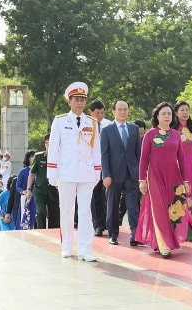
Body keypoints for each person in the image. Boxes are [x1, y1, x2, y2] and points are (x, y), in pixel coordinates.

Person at [47, 81, 101, 261]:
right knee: (67, 211)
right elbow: (53, 148)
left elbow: (96, 150)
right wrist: (52, 174)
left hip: (86, 173)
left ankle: (85, 249)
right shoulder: (60, 121)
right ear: (69, 101)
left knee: (86, 212)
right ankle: (66, 246)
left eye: (82, 100)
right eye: (76, 99)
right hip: (66, 173)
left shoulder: (91, 122)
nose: (79, 103)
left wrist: (97, 172)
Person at [135, 102, 191, 259]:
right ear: (157, 116)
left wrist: (185, 180)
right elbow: (144, 158)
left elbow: (181, 158)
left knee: (172, 210)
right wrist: (142, 180)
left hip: (173, 177)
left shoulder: (175, 135)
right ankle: (164, 245)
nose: (167, 116)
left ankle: (162, 241)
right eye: (163, 114)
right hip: (155, 177)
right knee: (158, 210)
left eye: (169, 114)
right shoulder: (150, 134)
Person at [100, 99, 141, 246]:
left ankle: (135, 234)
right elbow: (104, 154)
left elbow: (138, 153)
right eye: (120, 109)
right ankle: (113, 234)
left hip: (132, 174)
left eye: (125, 109)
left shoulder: (134, 129)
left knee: (133, 206)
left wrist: (140, 174)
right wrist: (106, 174)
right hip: (113, 175)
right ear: (113, 111)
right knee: (112, 205)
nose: (123, 112)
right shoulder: (106, 130)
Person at [173, 101, 192, 241]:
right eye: (182, 110)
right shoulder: (172, 130)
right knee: (180, 195)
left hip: (191, 166)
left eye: (187, 110)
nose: (185, 112)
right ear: (176, 113)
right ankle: (179, 229)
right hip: (178, 166)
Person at [87, 100, 112, 236]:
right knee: (96, 195)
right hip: (91, 165)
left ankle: (111, 222)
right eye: (97, 113)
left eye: (102, 113)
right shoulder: (85, 125)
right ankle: (98, 224)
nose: (100, 116)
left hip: (108, 164)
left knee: (109, 195)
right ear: (90, 112)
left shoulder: (109, 124)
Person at [26, 134, 60, 229]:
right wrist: (28, 189)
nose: (49, 145)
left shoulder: (60, 157)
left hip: (54, 190)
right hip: (40, 190)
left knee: (54, 216)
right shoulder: (39, 157)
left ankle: (53, 236)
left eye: (52, 143)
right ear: (45, 144)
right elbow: (32, 173)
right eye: (47, 143)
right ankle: (41, 231)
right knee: (41, 212)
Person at [119, 119, 146, 225]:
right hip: (127, 172)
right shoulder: (127, 139)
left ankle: (138, 221)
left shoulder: (146, 140)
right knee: (126, 197)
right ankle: (120, 216)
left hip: (141, 173)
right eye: (138, 133)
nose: (139, 136)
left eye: (141, 133)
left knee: (137, 197)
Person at [16, 150, 37, 230]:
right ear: (28, 158)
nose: (34, 158)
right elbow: (18, 186)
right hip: (26, 198)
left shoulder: (39, 170)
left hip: (37, 198)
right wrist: (23, 191)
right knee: (24, 217)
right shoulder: (23, 171)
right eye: (32, 156)